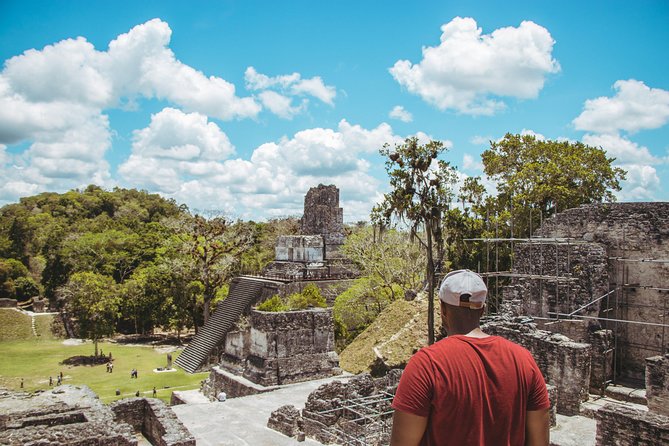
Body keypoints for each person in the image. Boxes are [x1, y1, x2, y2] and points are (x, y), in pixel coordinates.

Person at [390, 269, 550, 446]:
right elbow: (539, 441)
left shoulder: (426, 365)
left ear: (442, 309)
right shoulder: (524, 360)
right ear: (483, 310)